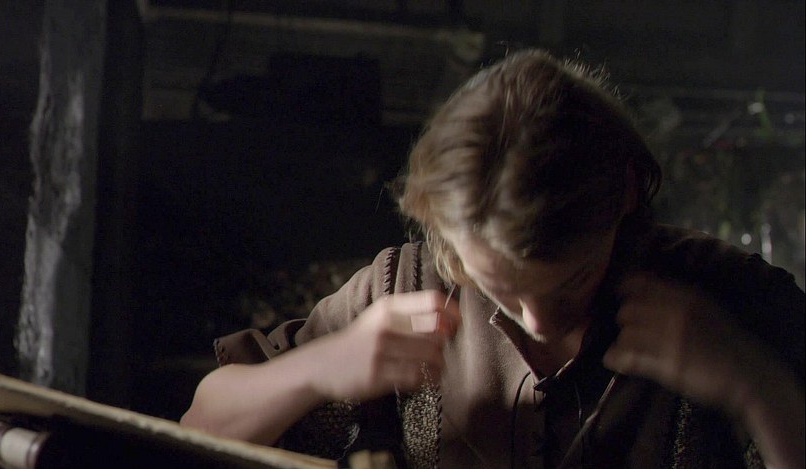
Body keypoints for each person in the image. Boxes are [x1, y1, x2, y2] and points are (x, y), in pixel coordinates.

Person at [180, 49, 804, 468]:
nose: (538, 322)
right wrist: (319, 367)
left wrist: (755, 387)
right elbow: (197, 430)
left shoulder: (729, 298)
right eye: (500, 288)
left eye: (572, 282)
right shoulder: (406, 286)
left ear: (626, 195)